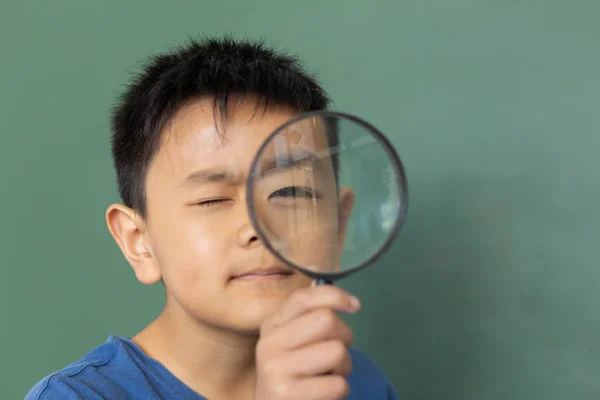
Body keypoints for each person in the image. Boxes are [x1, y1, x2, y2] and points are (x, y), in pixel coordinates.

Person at [25, 36, 399, 400]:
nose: (258, 229)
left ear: (340, 225)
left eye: (289, 192)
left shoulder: (354, 381)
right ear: (139, 242)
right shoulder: (75, 395)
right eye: (212, 199)